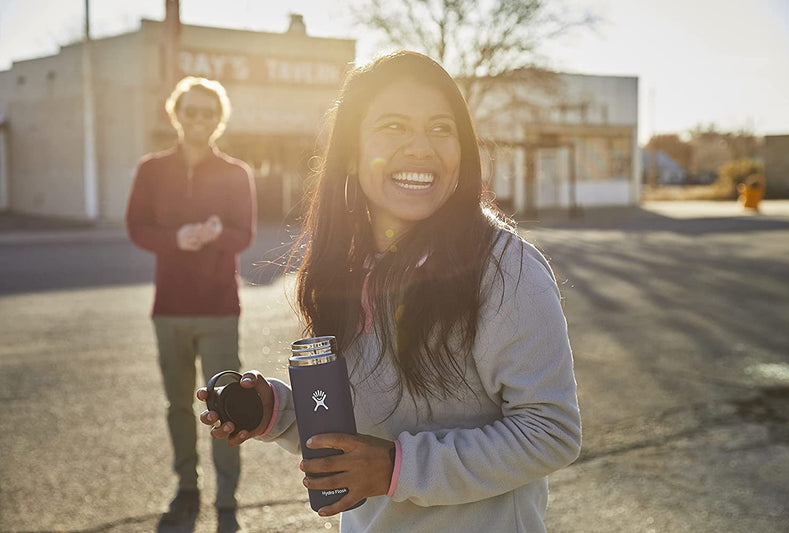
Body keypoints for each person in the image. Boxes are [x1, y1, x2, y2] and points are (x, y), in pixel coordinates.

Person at [198, 51, 580, 532]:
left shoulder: (507, 268)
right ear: (353, 154)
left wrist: (397, 468)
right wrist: (279, 412)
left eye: (441, 128)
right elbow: (360, 432)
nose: (421, 148)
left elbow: (551, 431)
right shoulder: (347, 265)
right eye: (394, 127)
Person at [126, 76, 256, 532]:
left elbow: (246, 234)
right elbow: (136, 227)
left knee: (227, 406)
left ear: (219, 119)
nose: (198, 119)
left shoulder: (237, 172)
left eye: (208, 112)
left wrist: (219, 234)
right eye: (190, 111)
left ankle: (227, 496)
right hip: (170, 309)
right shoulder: (151, 169)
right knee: (177, 404)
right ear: (175, 114)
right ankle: (186, 486)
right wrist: (175, 238)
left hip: (220, 308)